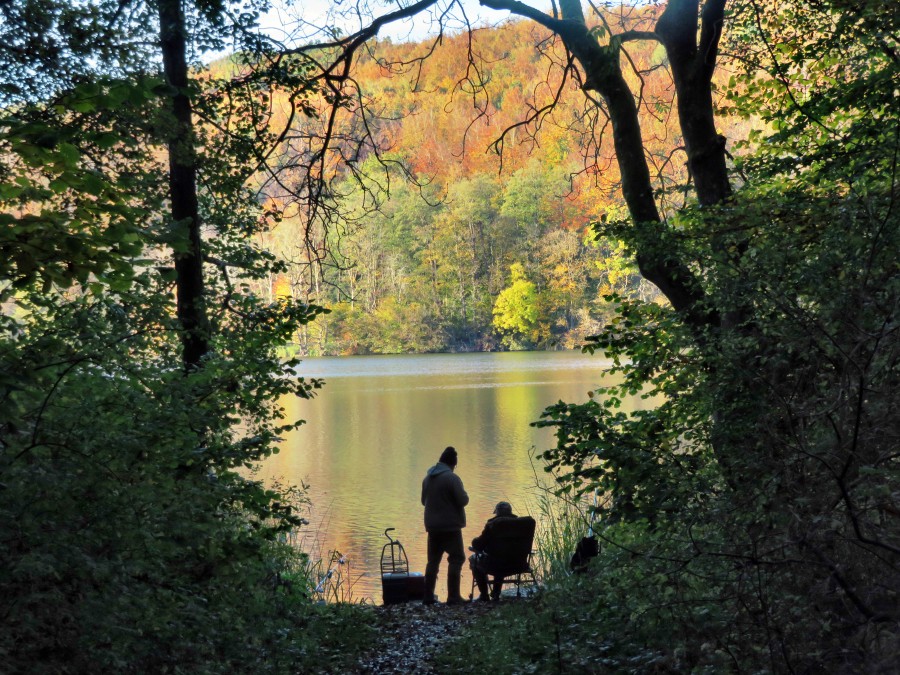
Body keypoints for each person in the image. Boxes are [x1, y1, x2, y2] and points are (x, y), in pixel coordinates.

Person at [421, 446, 469, 605]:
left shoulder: (427, 478)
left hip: (433, 527)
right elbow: (463, 500)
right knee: (456, 558)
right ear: (452, 464)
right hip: (450, 527)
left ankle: (427, 596)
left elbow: (423, 502)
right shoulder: (451, 478)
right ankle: (453, 596)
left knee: (432, 561)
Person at [469, 501, 518, 601]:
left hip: (494, 564)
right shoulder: (520, 525)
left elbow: (478, 544)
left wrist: (474, 541)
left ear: (497, 513)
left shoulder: (492, 525)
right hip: (518, 564)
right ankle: (496, 593)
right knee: (503, 557)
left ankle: (484, 595)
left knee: (474, 559)